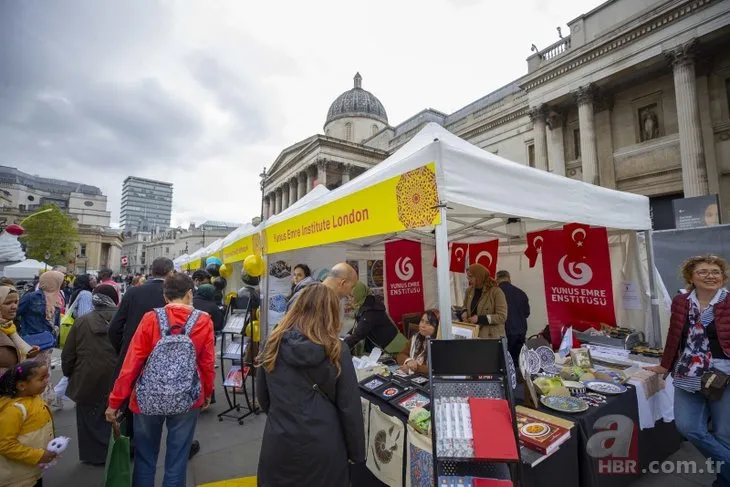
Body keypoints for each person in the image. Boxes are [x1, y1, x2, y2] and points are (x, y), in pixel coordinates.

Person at [106, 273, 215, 487]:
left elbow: (132, 363)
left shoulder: (150, 318)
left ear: (165, 296)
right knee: (177, 459)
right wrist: (207, 392)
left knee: (145, 458)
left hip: (147, 397)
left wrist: (115, 401)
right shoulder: (203, 321)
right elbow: (207, 363)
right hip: (186, 396)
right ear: (190, 293)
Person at [256, 284, 365, 486]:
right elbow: (349, 407)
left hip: (280, 440)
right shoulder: (336, 349)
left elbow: (263, 397)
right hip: (325, 442)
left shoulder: (271, 344)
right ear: (330, 313)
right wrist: (357, 454)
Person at [646, 255, 730, 487]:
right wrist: (665, 365)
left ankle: (723, 480)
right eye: (703, 272)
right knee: (688, 427)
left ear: (723, 279)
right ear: (691, 277)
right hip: (687, 374)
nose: (710, 276)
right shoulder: (681, 302)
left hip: (724, 376)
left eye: (715, 272)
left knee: (724, 434)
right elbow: (675, 336)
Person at [61, 285, 119, 465]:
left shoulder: (82, 321)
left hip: (86, 376)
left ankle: (94, 455)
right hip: (117, 377)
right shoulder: (122, 318)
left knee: (88, 416)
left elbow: (68, 353)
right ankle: (117, 450)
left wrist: (69, 373)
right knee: (116, 413)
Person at [0, 360, 56, 487]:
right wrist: (39, 455)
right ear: (21, 386)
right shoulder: (13, 410)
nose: (46, 381)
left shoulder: (35, 398)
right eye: (42, 378)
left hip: (32, 471)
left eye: (47, 376)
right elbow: (4, 444)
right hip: (16, 478)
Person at [16, 271, 65, 405]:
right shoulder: (32, 297)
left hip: (42, 345)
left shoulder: (56, 298)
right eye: (60, 282)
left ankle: (39, 403)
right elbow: (15, 313)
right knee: (34, 372)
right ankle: (34, 402)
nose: (63, 284)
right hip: (33, 345)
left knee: (39, 373)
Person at [344, 281, 407, 354]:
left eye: (352, 296)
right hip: (386, 345)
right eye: (348, 296)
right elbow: (360, 324)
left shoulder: (370, 310)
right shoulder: (366, 303)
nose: (350, 299)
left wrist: (342, 346)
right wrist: (348, 335)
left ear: (359, 294)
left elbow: (359, 333)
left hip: (394, 347)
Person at [460, 264, 508, 339]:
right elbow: (464, 305)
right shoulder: (469, 291)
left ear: (479, 276)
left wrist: (479, 319)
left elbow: (502, 317)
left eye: (471, 277)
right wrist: (464, 311)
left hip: (491, 338)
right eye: (467, 277)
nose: (468, 279)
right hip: (472, 335)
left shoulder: (496, 292)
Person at [0, 286, 39, 377]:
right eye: (8, 303)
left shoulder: (9, 327)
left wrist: (28, 352)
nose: (14, 307)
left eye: (16, 302)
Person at [496, 270, 530, 367]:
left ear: (497, 279)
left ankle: (510, 381)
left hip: (506, 332)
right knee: (519, 361)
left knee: (506, 362)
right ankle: (520, 379)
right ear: (509, 278)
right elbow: (527, 313)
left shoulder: (496, 293)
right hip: (521, 331)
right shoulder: (521, 293)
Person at [397, 309, 440, 375]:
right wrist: (409, 361)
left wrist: (413, 367)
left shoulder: (440, 343)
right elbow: (400, 355)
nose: (422, 325)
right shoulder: (416, 337)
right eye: (422, 321)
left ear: (437, 327)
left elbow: (435, 369)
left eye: (428, 323)